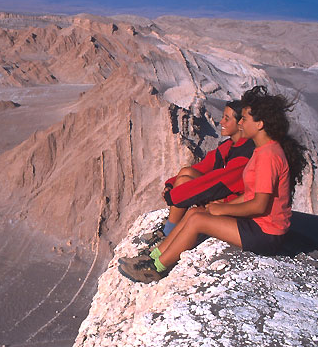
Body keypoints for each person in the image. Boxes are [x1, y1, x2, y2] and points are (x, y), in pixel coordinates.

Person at [119, 86, 306, 283]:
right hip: (257, 224)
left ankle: (155, 269)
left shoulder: (268, 156)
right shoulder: (263, 151)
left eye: (245, 119)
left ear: (259, 124)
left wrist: (223, 209)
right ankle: (154, 256)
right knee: (194, 213)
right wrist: (221, 208)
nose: (241, 123)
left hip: (266, 234)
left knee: (198, 221)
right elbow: (251, 194)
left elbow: (259, 205)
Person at [159, 100, 255, 237]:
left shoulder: (245, 153)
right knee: (186, 172)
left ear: (240, 124)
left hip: (232, 204)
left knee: (184, 182)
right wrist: (170, 184)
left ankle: (168, 234)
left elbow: (217, 182)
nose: (221, 122)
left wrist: (175, 195)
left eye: (227, 119)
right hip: (225, 193)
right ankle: (170, 230)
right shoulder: (230, 145)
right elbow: (204, 167)